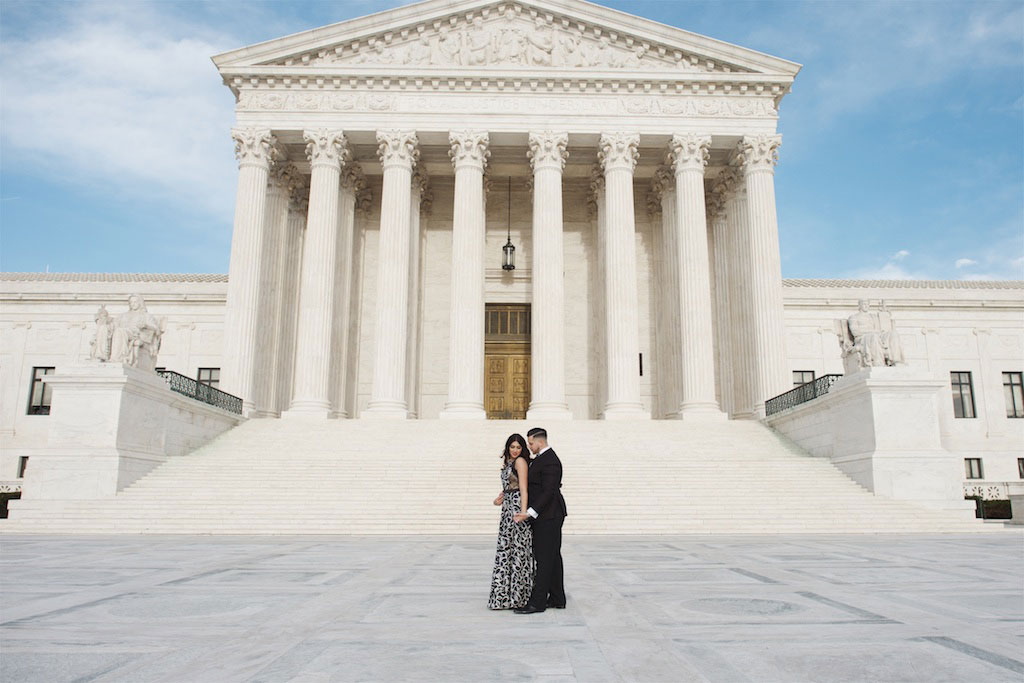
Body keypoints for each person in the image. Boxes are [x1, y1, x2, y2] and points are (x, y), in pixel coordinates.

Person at [513, 427, 567, 614]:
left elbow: (549, 491)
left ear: (540, 442)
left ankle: (538, 602)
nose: (529, 446)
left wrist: (530, 512)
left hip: (549, 515)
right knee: (552, 556)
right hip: (546, 514)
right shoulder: (542, 459)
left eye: (530, 443)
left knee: (544, 558)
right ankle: (557, 597)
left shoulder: (550, 461)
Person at [487, 433, 535, 610]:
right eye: (512, 447)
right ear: (508, 447)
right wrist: (498, 499)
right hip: (507, 509)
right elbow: (508, 488)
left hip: (516, 510)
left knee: (518, 552)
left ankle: (518, 597)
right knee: (507, 550)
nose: (515, 450)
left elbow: (523, 488)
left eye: (518, 447)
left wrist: (523, 513)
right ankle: (504, 597)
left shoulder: (521, 462)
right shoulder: (508, 463)